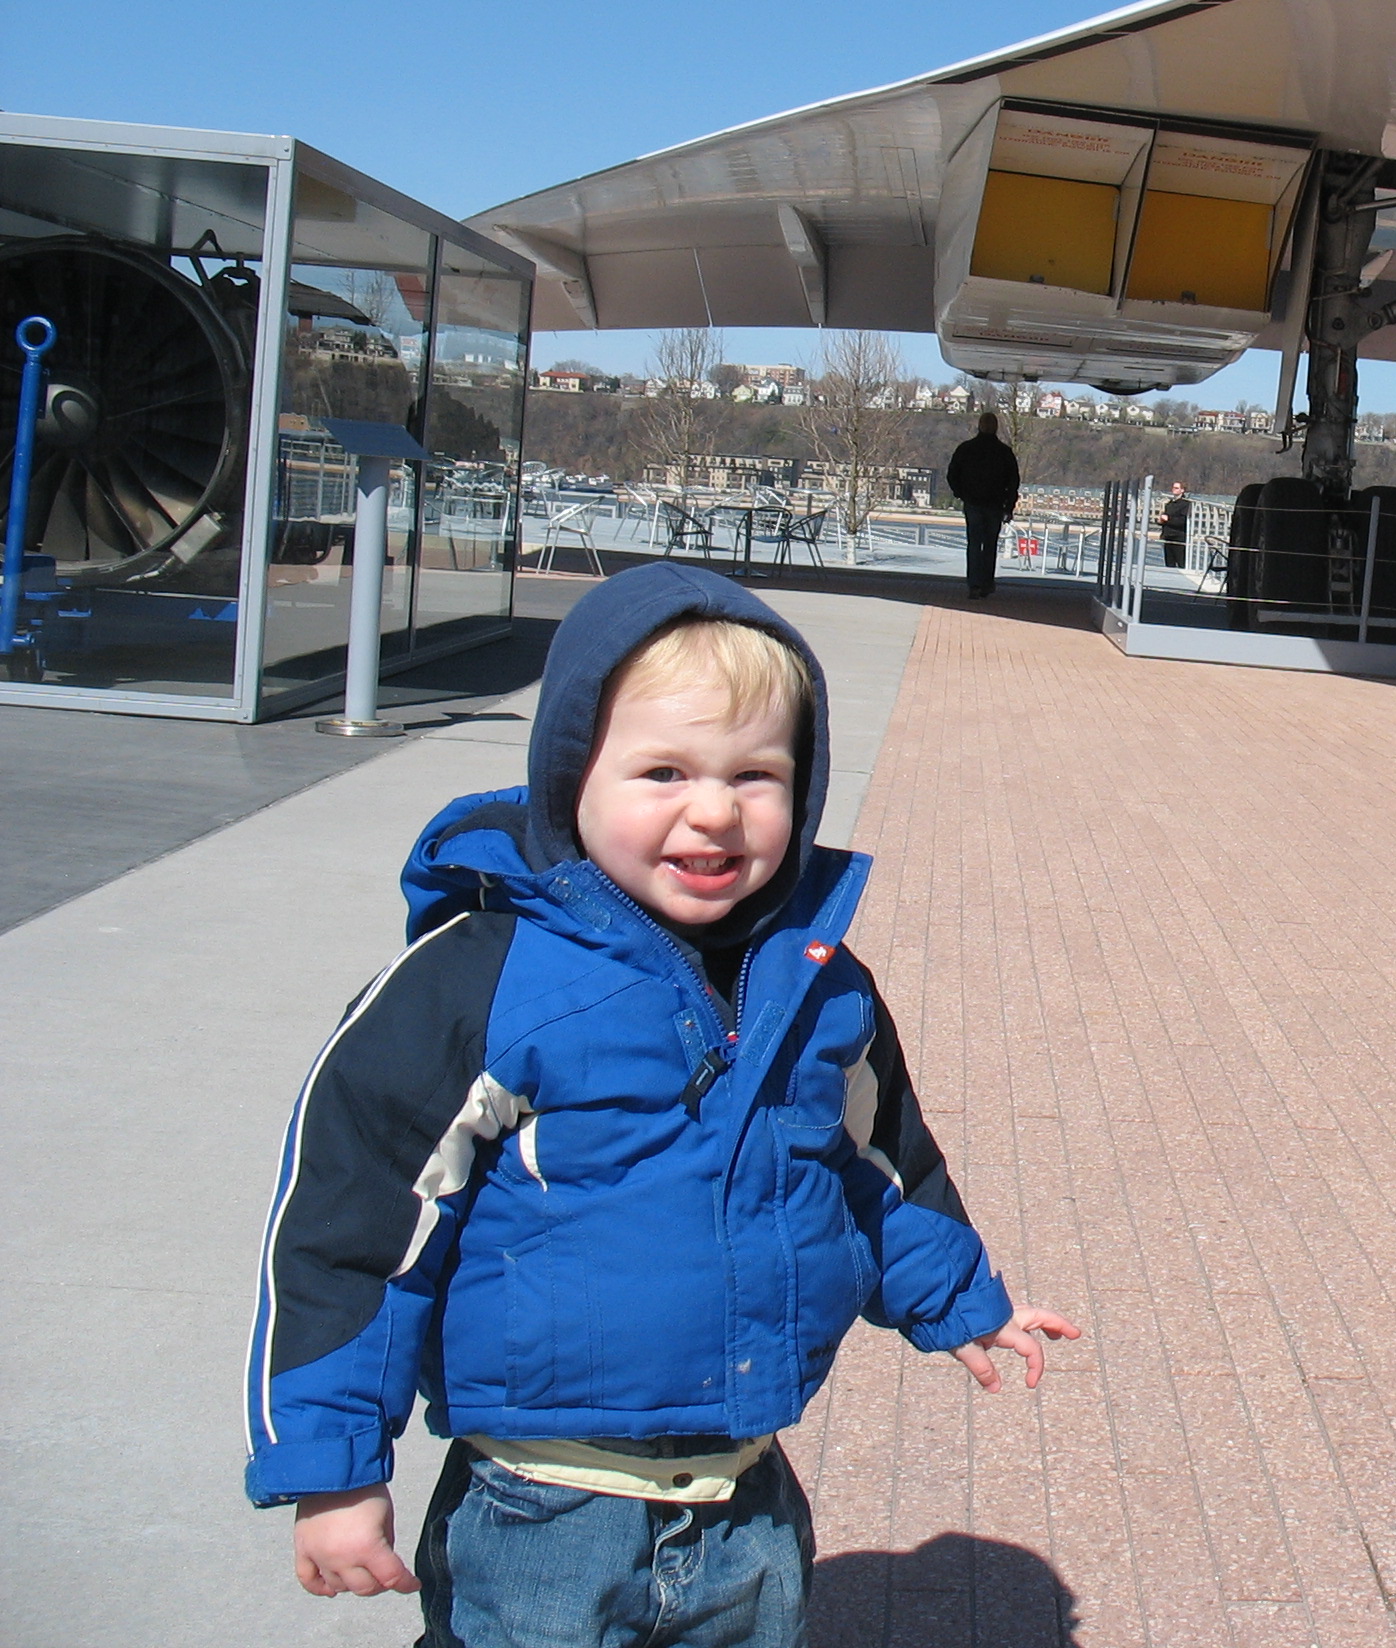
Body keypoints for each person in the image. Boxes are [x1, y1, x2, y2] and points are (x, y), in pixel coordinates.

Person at [245, 562, 1075, 1647]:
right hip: (540, 1513)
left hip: (748, 1505)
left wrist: (960, 1297)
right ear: (572, 777)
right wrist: (332, 1468)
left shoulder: (821, 987)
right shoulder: (483, 981)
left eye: (757, 775)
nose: (715, 812)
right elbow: (354, 1225)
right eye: (664, 772)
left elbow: (880, 1167)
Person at [944, 410, 1020, 598]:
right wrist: (1009, 506)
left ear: (979, 426)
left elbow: (952, 475)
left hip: (973, 502)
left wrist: (961, 493)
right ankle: (986, 582)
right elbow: (1013, 482)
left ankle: (974, 584)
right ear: (996, 428)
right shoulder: (1004, 452)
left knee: (974, 544)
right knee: (990, 545)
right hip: (995, 504)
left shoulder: (966, 449)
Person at [1158, 483, 1191, 570]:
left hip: (1179, 537)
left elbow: (1182, 521)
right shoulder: (1169, 504)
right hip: (1168, 536)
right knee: (1169, 564)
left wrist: (1168, 519)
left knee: (1181, 563)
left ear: (1182, 490)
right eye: (1173, 487)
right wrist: (1160, 521)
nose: (1173, 489)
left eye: (1176, 488)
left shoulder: (1186, 504)